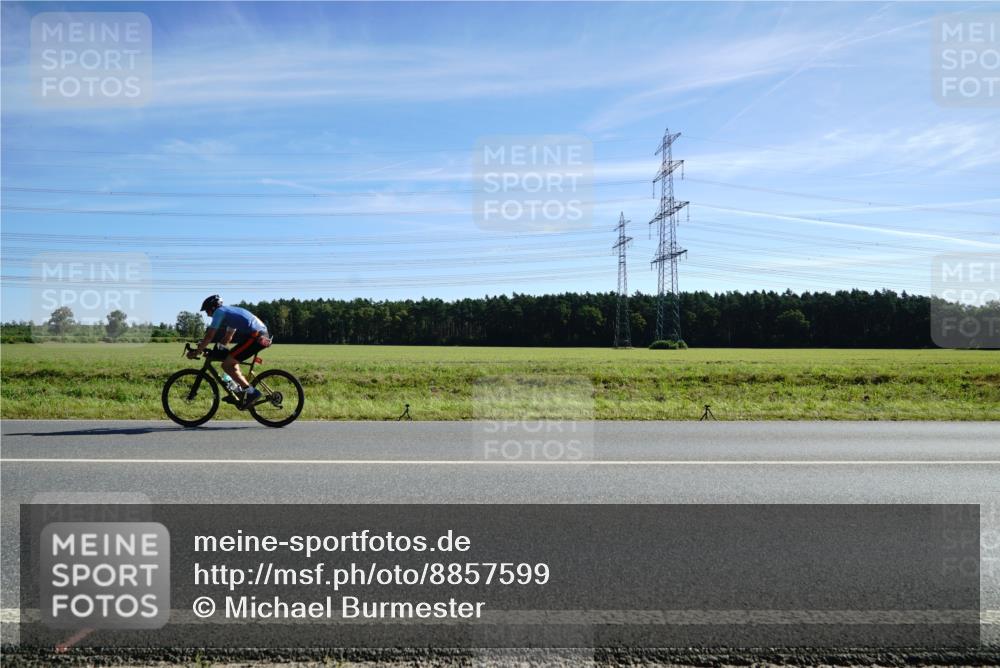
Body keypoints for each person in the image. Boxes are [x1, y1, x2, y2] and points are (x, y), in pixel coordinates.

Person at [188, 295, 271, 407]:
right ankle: (241, 391)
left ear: (213, 307)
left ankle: (252, 392)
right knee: (231, 361)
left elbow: (209, 336)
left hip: (256, 337)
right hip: (260, 336)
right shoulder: (229, 313)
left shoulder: (219, 312)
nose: (207, 314)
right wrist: (216, 349)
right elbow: (228, 337)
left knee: (226, 365)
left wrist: (197, 351)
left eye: (207, 310)